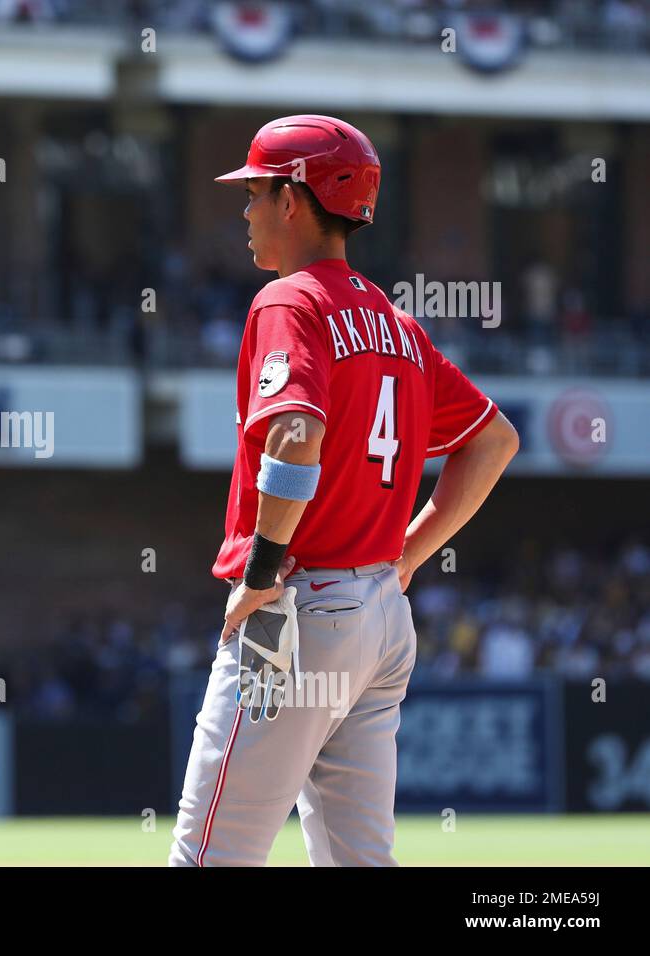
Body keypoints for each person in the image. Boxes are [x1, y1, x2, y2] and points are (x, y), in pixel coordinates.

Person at [170, 115, 519, 866]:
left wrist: (261, 573)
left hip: (296, 611)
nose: (246, 210)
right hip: (379, 619)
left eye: (256, 192)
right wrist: (409, 556)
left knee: (209, 856)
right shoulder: (397, 323)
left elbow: (297, 434)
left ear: (294, 198)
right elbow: (495, 441)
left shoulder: (289, 301)